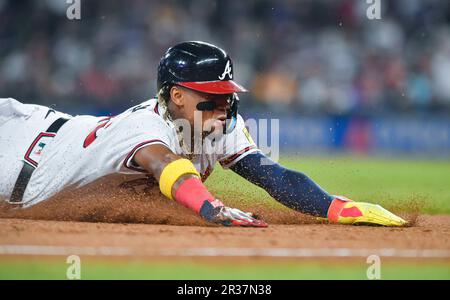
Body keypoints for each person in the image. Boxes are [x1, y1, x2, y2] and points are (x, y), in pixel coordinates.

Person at [0, 41, 406, 227]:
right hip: (18, 154)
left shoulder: (214, 122)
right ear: (176, 96)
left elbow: (272, 175)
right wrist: (210, 206)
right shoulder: (145, 128)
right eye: (211, 97)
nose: (224, 106)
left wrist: (335, 207)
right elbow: (166, 165)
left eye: (227, 95)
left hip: (56, 134)